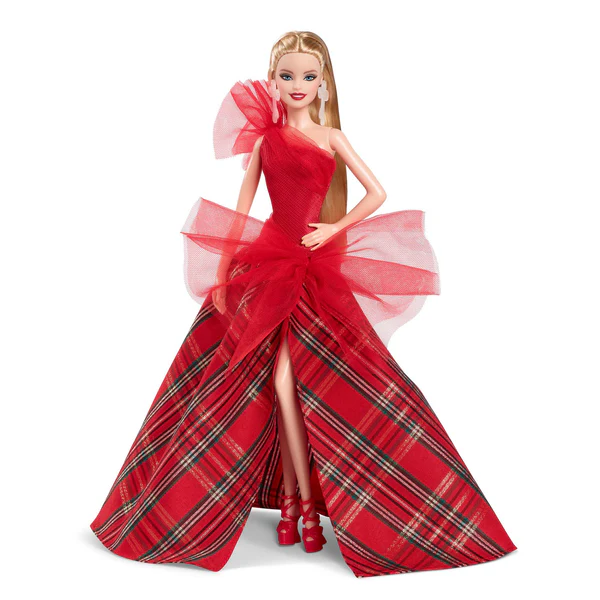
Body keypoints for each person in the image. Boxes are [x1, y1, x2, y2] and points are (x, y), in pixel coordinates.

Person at [90, 30, 517, 578]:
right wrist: (224, 272)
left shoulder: (332, 136)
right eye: (288, 76)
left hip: (312, 266)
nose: (298, 85)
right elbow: (243, 208)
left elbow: (378, 193)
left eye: (309, 76)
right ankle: (294, 501)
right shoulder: (266, 143)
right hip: (268, 264)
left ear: (323, 83)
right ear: (273, 81)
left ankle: (304, 502)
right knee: (253, 381)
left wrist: (334, 228)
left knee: (310, 380)